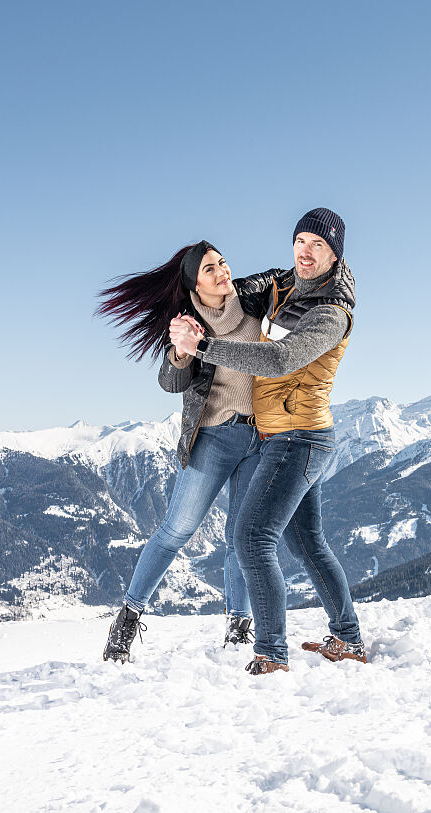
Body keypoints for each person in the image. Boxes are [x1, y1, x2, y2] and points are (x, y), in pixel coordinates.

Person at [169, 208, 367, 675]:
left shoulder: (331, 313)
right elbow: (233, 291)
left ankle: (271, 654)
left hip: (299, 437)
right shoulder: (284, 286)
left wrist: (204, 349)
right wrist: (194, 310)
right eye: (301, 239)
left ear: (334, 254)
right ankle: (348, 638)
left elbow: (279, 360)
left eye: (318, 244)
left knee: (252, 537)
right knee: (308, 543)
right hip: (285, 433)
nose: (306, 250)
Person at [96, 241, 270, 662]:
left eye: (223, 262)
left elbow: (292, 277)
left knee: (239, 538)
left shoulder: (253, 297)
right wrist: (180, 351)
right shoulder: (187, 325)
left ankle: (239, 627)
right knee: (176, 531)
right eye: (210, 269)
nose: (222, 272)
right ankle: (128, 619)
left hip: (260, 437)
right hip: (214, 438)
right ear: (195, 283)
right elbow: (171, 383)